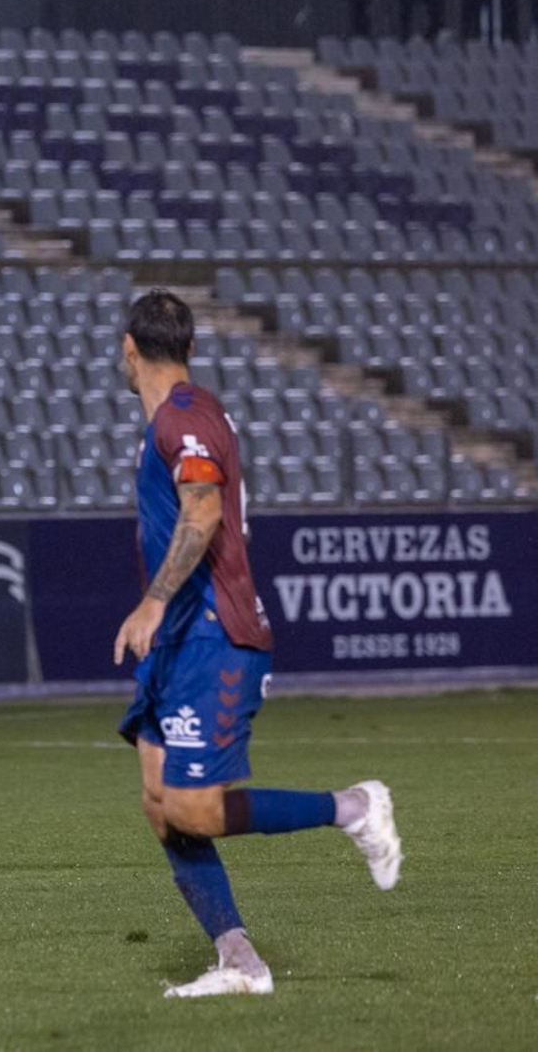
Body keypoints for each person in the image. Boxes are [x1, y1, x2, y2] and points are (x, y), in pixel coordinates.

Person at [111, 290, 403, 998]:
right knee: (160, 802)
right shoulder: (184, 412)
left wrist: (153, 599)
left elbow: (203, 509)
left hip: (213, 633)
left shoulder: (182, 416)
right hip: (180, 641)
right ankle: (239, 958)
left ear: (129, 349)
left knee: (193, 809)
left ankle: (353, 806)